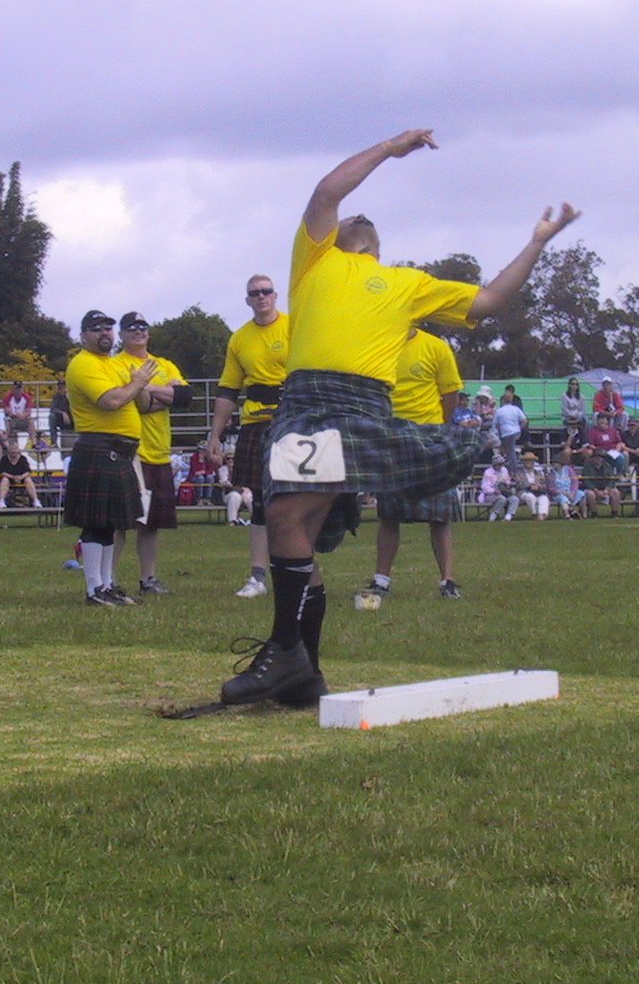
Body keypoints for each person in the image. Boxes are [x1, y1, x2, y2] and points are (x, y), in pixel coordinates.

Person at [217, 130, 578, 708]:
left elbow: (488, 301)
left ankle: (286, 652)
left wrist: (537, 242)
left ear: (373, 245)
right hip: (303, 403)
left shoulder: (404, 282)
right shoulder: (316, 259)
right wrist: (389, 149)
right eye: (343, 218)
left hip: (356, 406)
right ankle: (304, 673)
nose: (348, 218)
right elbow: (327, 191)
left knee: (285, 516)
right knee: (294, 530)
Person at [361, 326, 468, 601]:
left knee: (440, 516)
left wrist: (440, 428)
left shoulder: (436, 347)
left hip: (430, 437)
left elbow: (450, 393)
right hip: (393, 436)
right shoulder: (379, 345)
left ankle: (447, 580)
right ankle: (381, 580)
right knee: (389, 514)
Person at [203, 273, 290, 599]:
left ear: (275, 295)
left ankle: (296, 572)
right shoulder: (239, 339)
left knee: (294, 502)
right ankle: (257, 577)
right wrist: (215, 434)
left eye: (266, 291)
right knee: (261, 504)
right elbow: (228, 390)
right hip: (255, 423)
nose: (261, 296)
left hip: (291, 422)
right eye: (255, 293)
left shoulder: (294, 327)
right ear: (248, 300)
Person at [64, 309, 159, 606]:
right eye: (96, 329)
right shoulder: (83, 364)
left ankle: (107, 585)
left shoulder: (114, 365)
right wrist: (136, 383)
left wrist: (139, 383)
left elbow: (142, 404)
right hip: (99, 447)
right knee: (96, 523)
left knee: (109, 522)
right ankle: (94, 589)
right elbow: (112, 400)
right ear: (83, 336)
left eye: (108, 328)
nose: (104, 333)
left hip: (119, 451)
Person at [117, 311, 190, 594]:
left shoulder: (164, 364)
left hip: (160, 452)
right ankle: (107, 581)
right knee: (119, 522)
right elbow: (140, 404)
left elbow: (185, 397)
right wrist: (163, 395)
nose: (138, 332)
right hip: (131, 451)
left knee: (151, 524)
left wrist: (146, 386)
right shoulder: (117, 364)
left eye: (143, 327)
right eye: (131, 328)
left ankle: (148, 579)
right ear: (122, 334)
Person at [0, 431, 43, 510]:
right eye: (12, 449)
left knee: (28, 480)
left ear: (18, 450)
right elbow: (2, 472)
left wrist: (21, 477)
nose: (13, 451)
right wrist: (12, 477)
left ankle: (36, 501)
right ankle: (1, 501)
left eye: (15, 449)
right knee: (4, 480)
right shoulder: (4, 459)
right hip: (9, 478)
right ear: (9, 450)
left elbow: (28, 472)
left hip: (21, 478)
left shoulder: (22, 459)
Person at [560, 378, 585, 444]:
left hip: (578, 417)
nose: (574, 386)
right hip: (567, 417)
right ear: (569, 385)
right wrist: (572, 414)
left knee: (585, 419)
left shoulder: (581, 396)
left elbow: (582, 410)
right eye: (572, 384)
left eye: (576, 384)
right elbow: (565, 409)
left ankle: (583, 440)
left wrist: (576, 415)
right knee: (568, 421)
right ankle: (566, 440)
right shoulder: (564, 396)